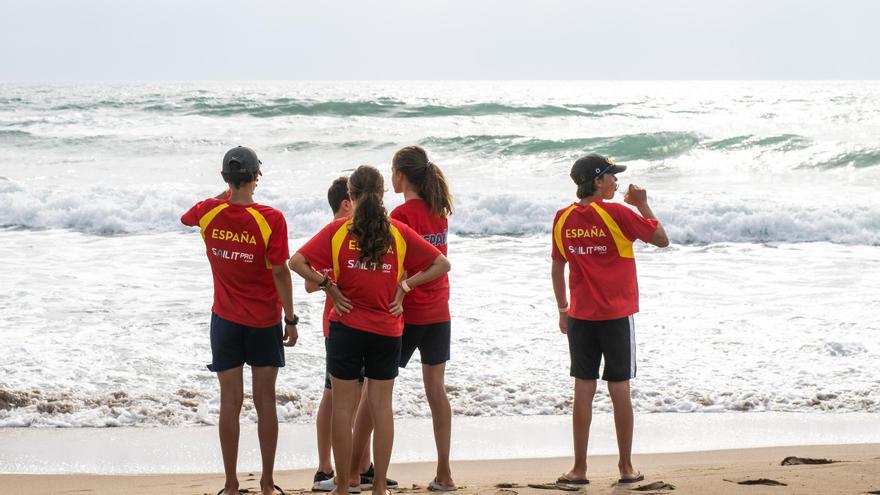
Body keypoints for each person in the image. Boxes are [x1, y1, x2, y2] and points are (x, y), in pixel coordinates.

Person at [289, 165, 451, 495]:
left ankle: (344, 488)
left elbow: (296, 262)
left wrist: (329, 287)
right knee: (381, 408)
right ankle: (378, 487)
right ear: (381, 194)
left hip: (345, 328)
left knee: (344, 408)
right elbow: (441, 264)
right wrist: (405, 285)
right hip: (387, 329)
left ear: (351, 196)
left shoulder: (338, 231)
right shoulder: (398, 232)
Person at [181, 146, 298, 495]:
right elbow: (280, 271)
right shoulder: (271, 218)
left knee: (230, 403)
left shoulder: (207, 212)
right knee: (265, 403)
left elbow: (186, 217)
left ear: (225, 179)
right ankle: (265, 483)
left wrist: (224, 197)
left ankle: (231, 484)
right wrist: (290, 318)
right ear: (257, 178)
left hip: (225, 321)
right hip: (263, 322)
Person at [550, 153, 668, 487]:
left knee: (583, 388)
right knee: (619, 389)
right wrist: (643, 205)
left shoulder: (562, 218)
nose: (616, 181)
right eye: (611, 176)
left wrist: (562, 309)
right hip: (616, 316)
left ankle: (579, 469)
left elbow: (557, 265)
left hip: (580, 316)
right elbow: (662, 239)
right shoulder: (618, 212)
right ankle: (626, 467)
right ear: (597, 181)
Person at [388, 146, 456, 491]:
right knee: (436, 392)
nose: (390, 177)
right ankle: (444, 473)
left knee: (378, 389)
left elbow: (396, 267)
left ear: (401, 175)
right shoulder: (438, 212)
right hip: (439, 312)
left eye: (392, 171)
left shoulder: (400, 215)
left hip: (408, 312)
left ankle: (356, 469)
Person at [307, 177, 377, 491]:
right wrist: (329, 284)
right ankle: (325, 467)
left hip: (358, 324)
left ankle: (363, 464)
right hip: (337, 325)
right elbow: (309, 280)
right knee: (334, 395)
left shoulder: (360, 233)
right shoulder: (335, 232)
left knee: (361, 394)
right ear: (346, 204)